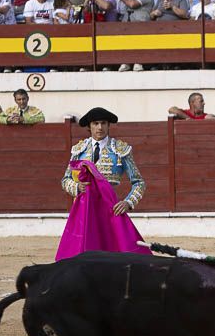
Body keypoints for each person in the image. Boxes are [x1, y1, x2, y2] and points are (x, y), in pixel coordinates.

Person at [57, 106, 150, 259]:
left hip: (109, 209)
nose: (99, 127)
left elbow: (139, 182)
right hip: (84, 210)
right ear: (89, 126)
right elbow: (65, 180)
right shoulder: (78, 150)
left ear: (108, 125)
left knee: (113, 252)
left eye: (103, 123)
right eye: (95, 123)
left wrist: (128, 202)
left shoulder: (120, 149)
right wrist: (76, 187)